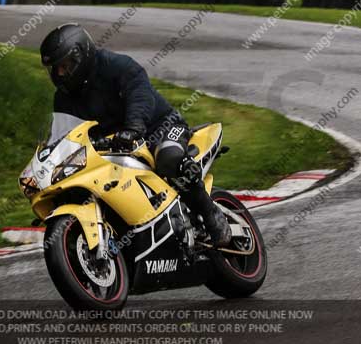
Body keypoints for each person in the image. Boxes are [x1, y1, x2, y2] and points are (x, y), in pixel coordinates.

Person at [40, 22, 231, 246]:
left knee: (169, 158)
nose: (60, 74)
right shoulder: (63, 99)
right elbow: (64, 134)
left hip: (159, 128)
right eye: (55, 69)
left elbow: (139, 93)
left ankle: (211, 214)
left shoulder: (115, 65)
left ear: (81, 54)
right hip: (115, 147)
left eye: (64, 66)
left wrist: (133, 128)